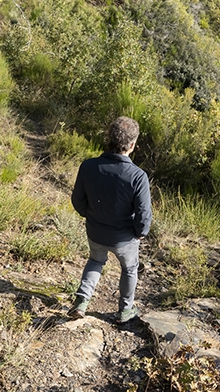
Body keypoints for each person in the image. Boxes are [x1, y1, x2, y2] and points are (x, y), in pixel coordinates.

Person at [69, 115, 152, 324]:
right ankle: (125, 311)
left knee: (96, 261)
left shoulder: (88, 166)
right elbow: (143, 214)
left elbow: (77, 200)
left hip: (95, 231)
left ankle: (81, 302)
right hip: (124, 239)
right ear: (132, 145)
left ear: (109, 138)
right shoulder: (137, 176)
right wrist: (140, 232)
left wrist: (91, 216)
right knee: (130, 268)